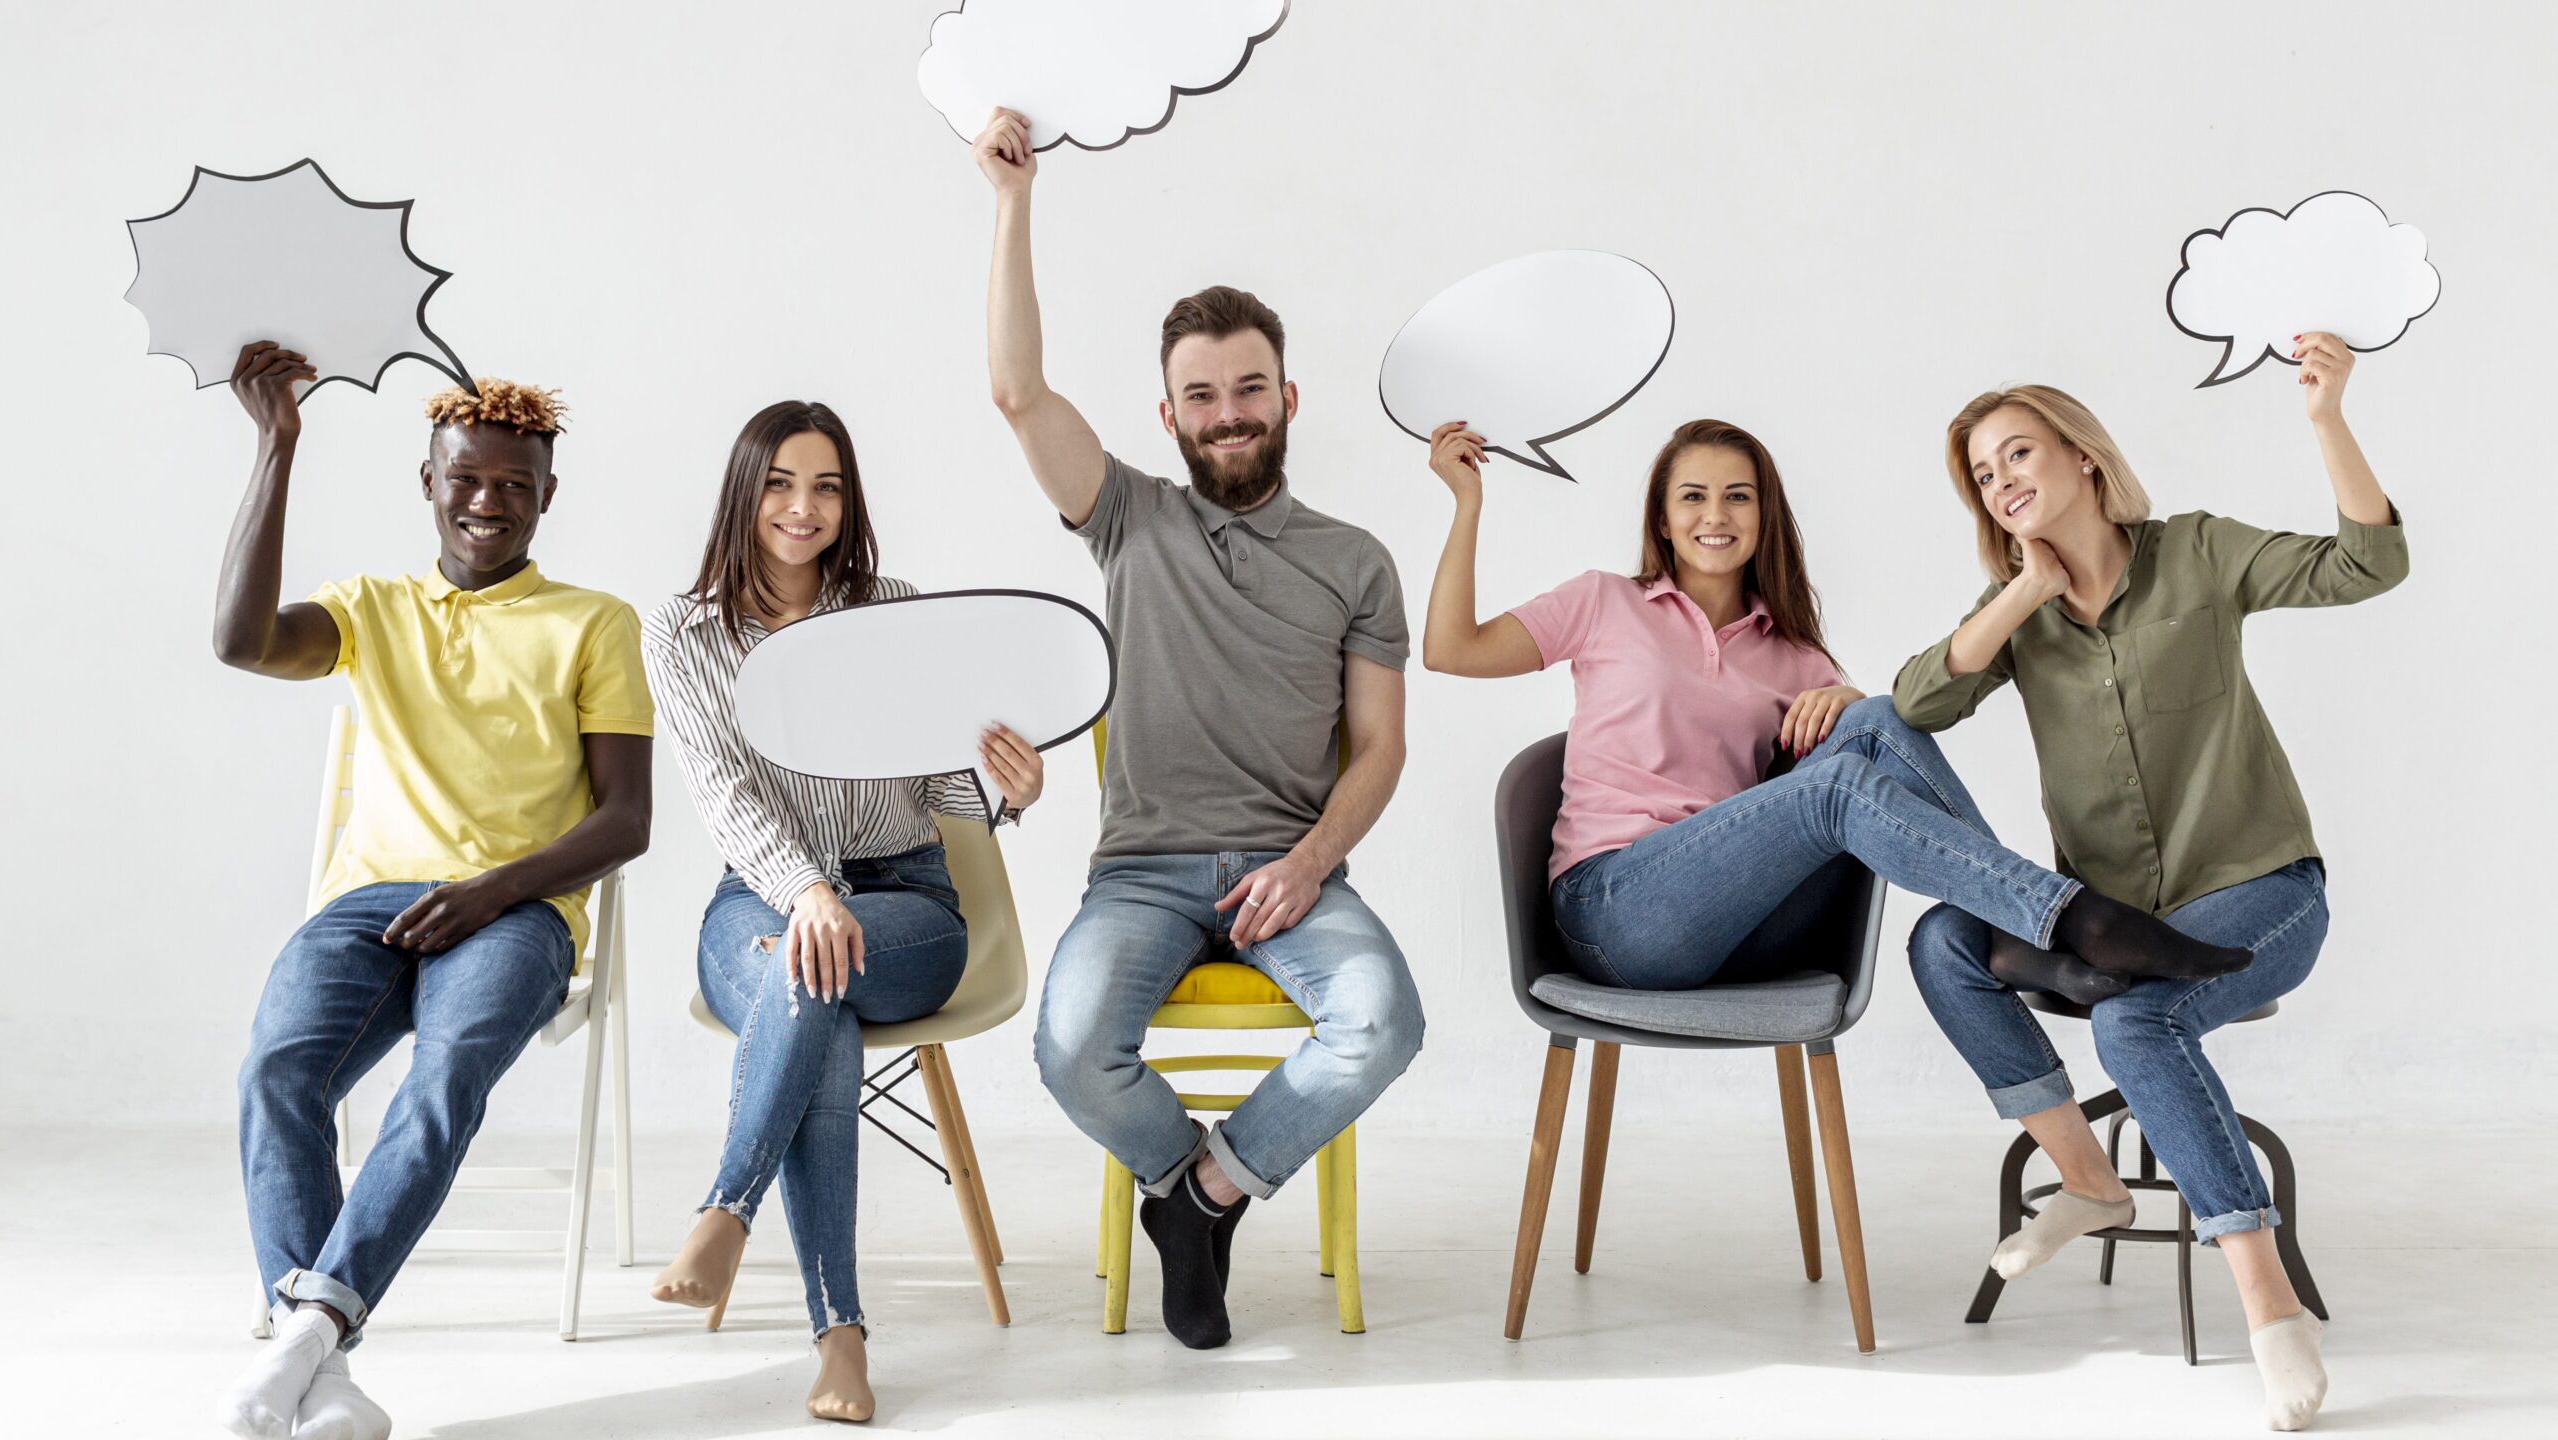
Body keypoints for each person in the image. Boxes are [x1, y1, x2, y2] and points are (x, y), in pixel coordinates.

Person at [1896, 339, 2408, 1432]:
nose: (2001, 482)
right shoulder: (2017, 613)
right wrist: (2022, 586)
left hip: (2256, 892)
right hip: (2110, 921)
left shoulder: (2198, 554)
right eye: (1983, 476)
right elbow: (1915, 708)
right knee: (1940, 941)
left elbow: (2367, 565)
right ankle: (2088, 1183)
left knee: (2136, 1022)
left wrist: (2325, 416)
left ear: (2082, 458)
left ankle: (2270, 1311)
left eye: (2017, 453)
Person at [973, 108, 1424, 1349]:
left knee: (1386, 1019)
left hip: (1295, 873)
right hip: (1142, 876)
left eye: (1247, 388)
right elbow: (1017, 392)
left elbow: (1377, 750)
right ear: (1167, 417)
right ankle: (1186, 1189)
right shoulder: (1131, 520)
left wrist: (1308, 863)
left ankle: (1207, 1197)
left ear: (1286, 396)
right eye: (1199, 396)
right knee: (1071, 1050)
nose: (1228, 412)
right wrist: (1012, 203)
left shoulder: (1356, 561)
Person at [1418, 415, 2252, 999]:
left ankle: (2018, 928)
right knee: (1836, 786)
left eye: (1738, 496)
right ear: (1664, 521)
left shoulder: (1794, 652)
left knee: (1879, 722)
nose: (1716, 516)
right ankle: (2061, 918)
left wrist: (1850, 699)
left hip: (1740, 927)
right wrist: (1467, 506)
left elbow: (1869, 762)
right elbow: (1450, 651)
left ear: (1763, 514)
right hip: (1618, 913)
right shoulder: (1604, 602)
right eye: (1694, 498)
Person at [213, 344, 653, 1440]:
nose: (488, 501)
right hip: (370, 903)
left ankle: (300, 1338)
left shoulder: (593, 623)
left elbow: (624, 822)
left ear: (548, 496)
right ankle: (327, 1369)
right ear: (428, 483)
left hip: (518, 911)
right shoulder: (371, 607)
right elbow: (238, 641)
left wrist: (487, 894)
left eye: (514, 484)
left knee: (446, 1076)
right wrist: (277, 446)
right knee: (278, 1070)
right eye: (466, 477)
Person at [639, 400, 1044, 1422]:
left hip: (907, 900)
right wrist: (809, 893)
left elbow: (949, 798)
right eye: (779, 482)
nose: (802, 507)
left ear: (848, 501)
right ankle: (841, 1342)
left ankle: (727, 1212)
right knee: (808, 968)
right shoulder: (683, 633)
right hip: (759, 900)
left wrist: (1008, 788)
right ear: (744, 491)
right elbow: (724, 794)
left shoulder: (892, 610)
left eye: (826, 486)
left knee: (814, 964)